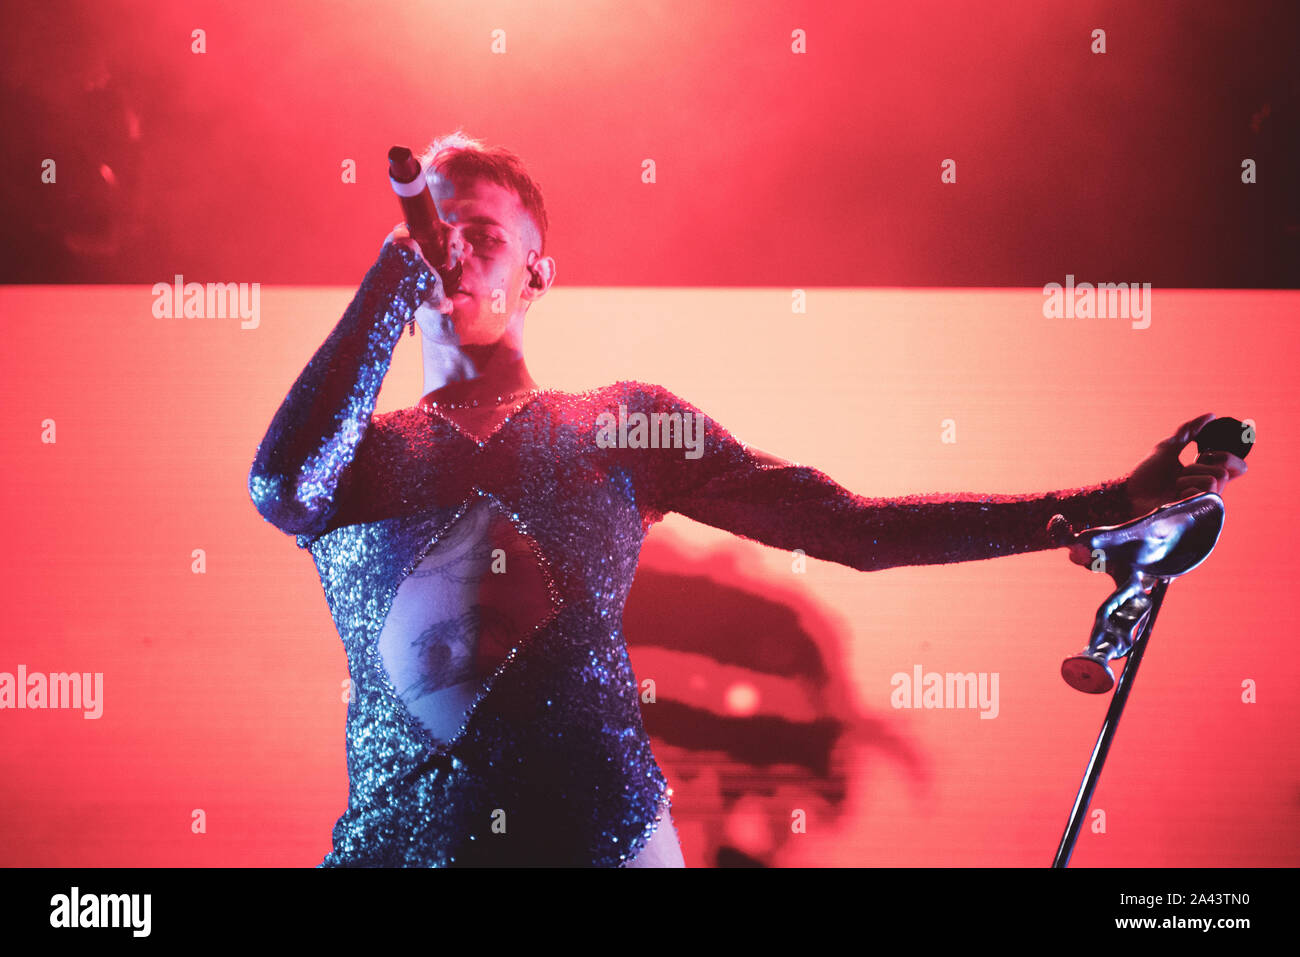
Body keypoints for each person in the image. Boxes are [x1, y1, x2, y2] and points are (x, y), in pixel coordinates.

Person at [247, 131, 1247, 867]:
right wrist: (389, 279)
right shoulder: (358, 457)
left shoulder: (617, 423)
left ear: (538, 273)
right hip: (394, 846)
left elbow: (845, 528)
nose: (453, 249)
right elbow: (280, 488)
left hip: (600, 843)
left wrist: (1104, 501)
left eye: (481, 232)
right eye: (434, 226)